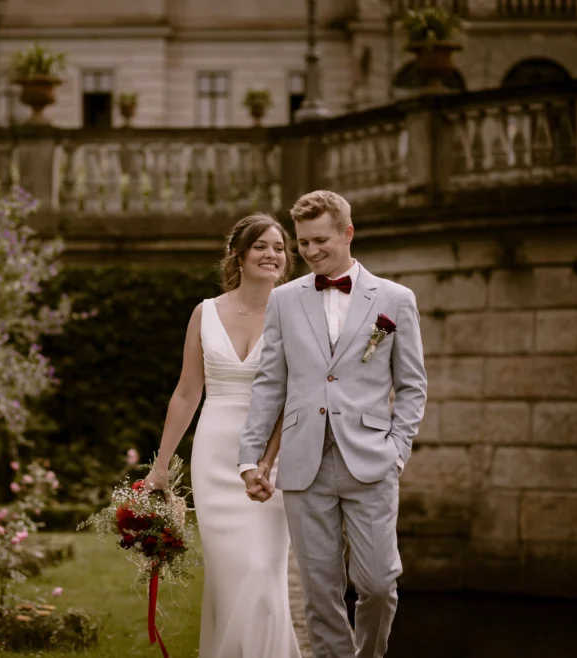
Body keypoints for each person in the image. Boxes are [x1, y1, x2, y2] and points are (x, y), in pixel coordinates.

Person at [238, 190, 427, 658]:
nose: (310, 251)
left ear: (348, 232)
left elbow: (412, 385)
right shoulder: (283, 300)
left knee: (379, 583)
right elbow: (269, 383)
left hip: (371, 461)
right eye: (302, 243)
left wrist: (397, 449)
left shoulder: (395, 300)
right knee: (320, 592)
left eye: (320, 240)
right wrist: (251, 458)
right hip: (304, 463)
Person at [143, 212, 302, 658]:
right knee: (231, 575)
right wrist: (161, 468)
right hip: (214, 458)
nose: (272, 254)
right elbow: (187, 392)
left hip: (272, 456)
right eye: (261, 246)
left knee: (261, 570)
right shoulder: (205, 312)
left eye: (279, 248)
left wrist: (268, 461)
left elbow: (295, 396)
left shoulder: (295, 312)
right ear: (239, 254)